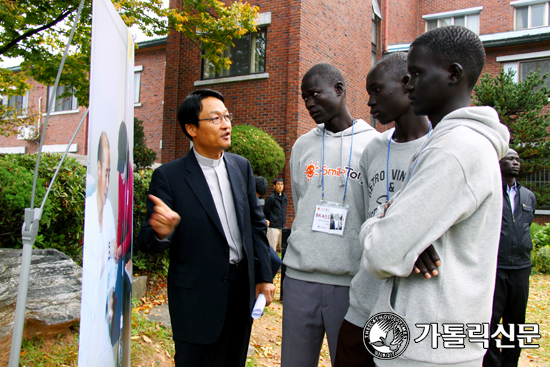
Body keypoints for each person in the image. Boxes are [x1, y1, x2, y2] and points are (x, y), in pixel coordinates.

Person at [360, 26, 510, 365]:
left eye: (416, 73)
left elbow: (382, 253)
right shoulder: (451, 143)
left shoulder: (454, 150)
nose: (408, 83)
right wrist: (403, 235)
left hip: (429, 349)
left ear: (453, 74)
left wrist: (378, 226)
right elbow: (396, 242)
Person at [137, 89, 275, 367]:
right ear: (191, 129)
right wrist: (163, 232)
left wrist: (264, 275)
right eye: (215, 119)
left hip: (241, 290)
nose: (226, 124)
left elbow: (256, 227)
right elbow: (147, 241)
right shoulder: (169, 176)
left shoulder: (241, 167)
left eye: (227, 116)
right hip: (197, 296)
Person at [334, 52, 431, 367]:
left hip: (413, 308)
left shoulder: (439, 147)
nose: (369, 102)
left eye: (377, 90)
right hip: (363, 302)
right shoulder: (373, 148)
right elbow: (363, 219)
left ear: (406, 85)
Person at [282, 63, 379, 366]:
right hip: (300, 278)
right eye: (304, 98)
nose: (309, 103)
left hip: (352, 282)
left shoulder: (373, 145)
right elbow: (301, 201)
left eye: (314, 94)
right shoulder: (302, 146)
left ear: (338, 90)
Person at [484, 149, 536, 367]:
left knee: (516, 324)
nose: (516, 163)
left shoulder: (528, 196)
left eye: (518, 160)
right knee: (492, 323)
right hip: (496, 266)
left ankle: (510, 363)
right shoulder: (491, 192)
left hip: (521, 268)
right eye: (510, 159)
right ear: (499, 162)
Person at [79, 132, 117, 366]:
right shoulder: (89, 211)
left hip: (105, 307)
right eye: (104, 173)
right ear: (97, 169)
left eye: (110, 174)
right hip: (90, 308)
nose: (107, 180)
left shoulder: (110, 209)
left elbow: (113, 260)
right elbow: (93, 264)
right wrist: (107, 257)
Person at [255, 175, 283, 279]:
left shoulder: (283, 197)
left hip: (277, 226)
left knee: (275, 259)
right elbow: (266, 211)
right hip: (259, 234)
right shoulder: (270, 198)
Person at [264, 178, 288, 251]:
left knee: (284, 249)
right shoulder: (271, 198)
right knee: (272, 248)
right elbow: (266, 212)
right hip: (273, 227)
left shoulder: (285, 197)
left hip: (282, 226)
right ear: (274, 186)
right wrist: (271, 221)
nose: (280, 186)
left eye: (281, 184)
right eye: (278, 184)